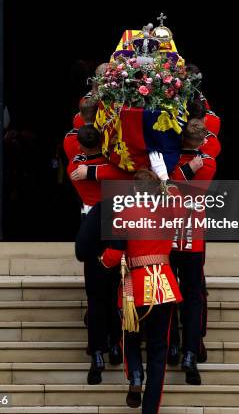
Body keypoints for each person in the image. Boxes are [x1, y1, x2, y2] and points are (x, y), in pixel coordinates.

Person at [99, 167, 183, 413]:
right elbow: (178, 196)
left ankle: (135, 374)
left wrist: (102, 262)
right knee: (158, 352)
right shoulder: (170, 210)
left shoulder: (126, 213)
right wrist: (165, 179)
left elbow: (115, 253)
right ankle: (150, 409)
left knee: (131, 337)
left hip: (135, 286)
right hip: (164, 286)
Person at [67, 124, 123, 381]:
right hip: (112, 222)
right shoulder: (111, 165)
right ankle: (114, 344)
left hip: (91, 223)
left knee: (95, 295)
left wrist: (90, 170)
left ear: (80, 145)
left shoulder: (75, 166)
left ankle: (98, 350)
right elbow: (120, 173)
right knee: (113, 291)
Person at [166, 119, 217, 384]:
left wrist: (183, 171)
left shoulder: (178, 161)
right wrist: (188, 169)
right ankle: (185, 350)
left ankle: (182, 348)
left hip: (176, 233)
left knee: (179, 293)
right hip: (188, 235)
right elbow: (166, 185)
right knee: (190, 296)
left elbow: (177, 186)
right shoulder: (201, 161)